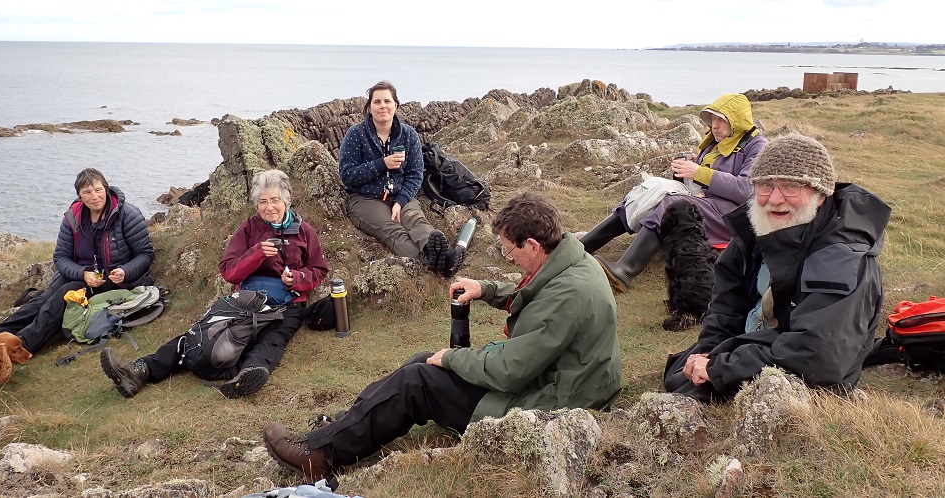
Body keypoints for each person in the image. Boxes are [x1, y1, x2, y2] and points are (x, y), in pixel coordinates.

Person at [261, 192, 622, 482]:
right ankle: (338, 429)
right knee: (421, 361)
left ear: (532, 244)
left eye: (508, 249)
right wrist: (487, 288)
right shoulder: (570, 261)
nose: (508, 258)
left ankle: (322, 456)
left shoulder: (568, 294)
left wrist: (451, 358)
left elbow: (511, 370)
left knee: (419, 380)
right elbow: (538, 292)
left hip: (552, 403)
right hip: (566, 381)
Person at [664, 133, 890, 402]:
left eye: (791, 187)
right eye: (765, 185)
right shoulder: (757, 228)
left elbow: (819, 355)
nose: (775, 198)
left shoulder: (842, 255)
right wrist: (710, 350)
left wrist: (719, 367)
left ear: (819, 195)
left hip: (811, 368)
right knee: (681, 374)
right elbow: (726, 305)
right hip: (756, 345)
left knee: (693, 390)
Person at [100, 170, 329, 399]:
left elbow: (319, 269)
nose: (269, 207)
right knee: (203, 331)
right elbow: (229, 271)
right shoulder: (249, 228)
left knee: (272, 339)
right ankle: (139, 370)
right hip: (247, 299)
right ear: (256, 204)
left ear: (287, 200)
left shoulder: (304, 231)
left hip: (289, 305)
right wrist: (256, 253)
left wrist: (297, 279)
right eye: (263, 202)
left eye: (275, 200)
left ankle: (247, 376)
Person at [579, 93, 768, 292]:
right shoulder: (717, 142)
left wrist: (699, 172)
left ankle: (625, 270)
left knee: (671, 204)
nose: (715, 125)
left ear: (737, 120)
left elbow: (747, 190)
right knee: (645, 191)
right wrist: (689, 168)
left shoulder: (757, 146)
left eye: (721, 119)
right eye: (713, 119)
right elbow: (710, 174)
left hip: (732, 215)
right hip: (706, 201)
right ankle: (581, 248)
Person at [0, 168, 154, 353]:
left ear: (106, 189)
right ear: (80, 196)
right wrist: (83, 273)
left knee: (64, 296)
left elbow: (146, 254)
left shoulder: (127, 215)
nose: (94, 196)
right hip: (82, 274)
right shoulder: (72, 218)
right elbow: (61, 257)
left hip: (115, 281)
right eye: (87, 192)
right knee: (42, 300)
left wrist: (125, 271)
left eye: (98, 190)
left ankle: (19, 347)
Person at [338, 80, 461, 277]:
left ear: (396, 105)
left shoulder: (409, 134)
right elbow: (347, 175)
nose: (382, 106)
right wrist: (382, 164)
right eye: (377, 102)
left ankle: (437, 251)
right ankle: (433, 264)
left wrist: (401, 202)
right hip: (365, 199)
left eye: (387, 101)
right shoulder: (356, 134)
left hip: (400, 195)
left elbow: (415, 174)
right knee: (394, 231)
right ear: (369, 107)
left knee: (416, 222)